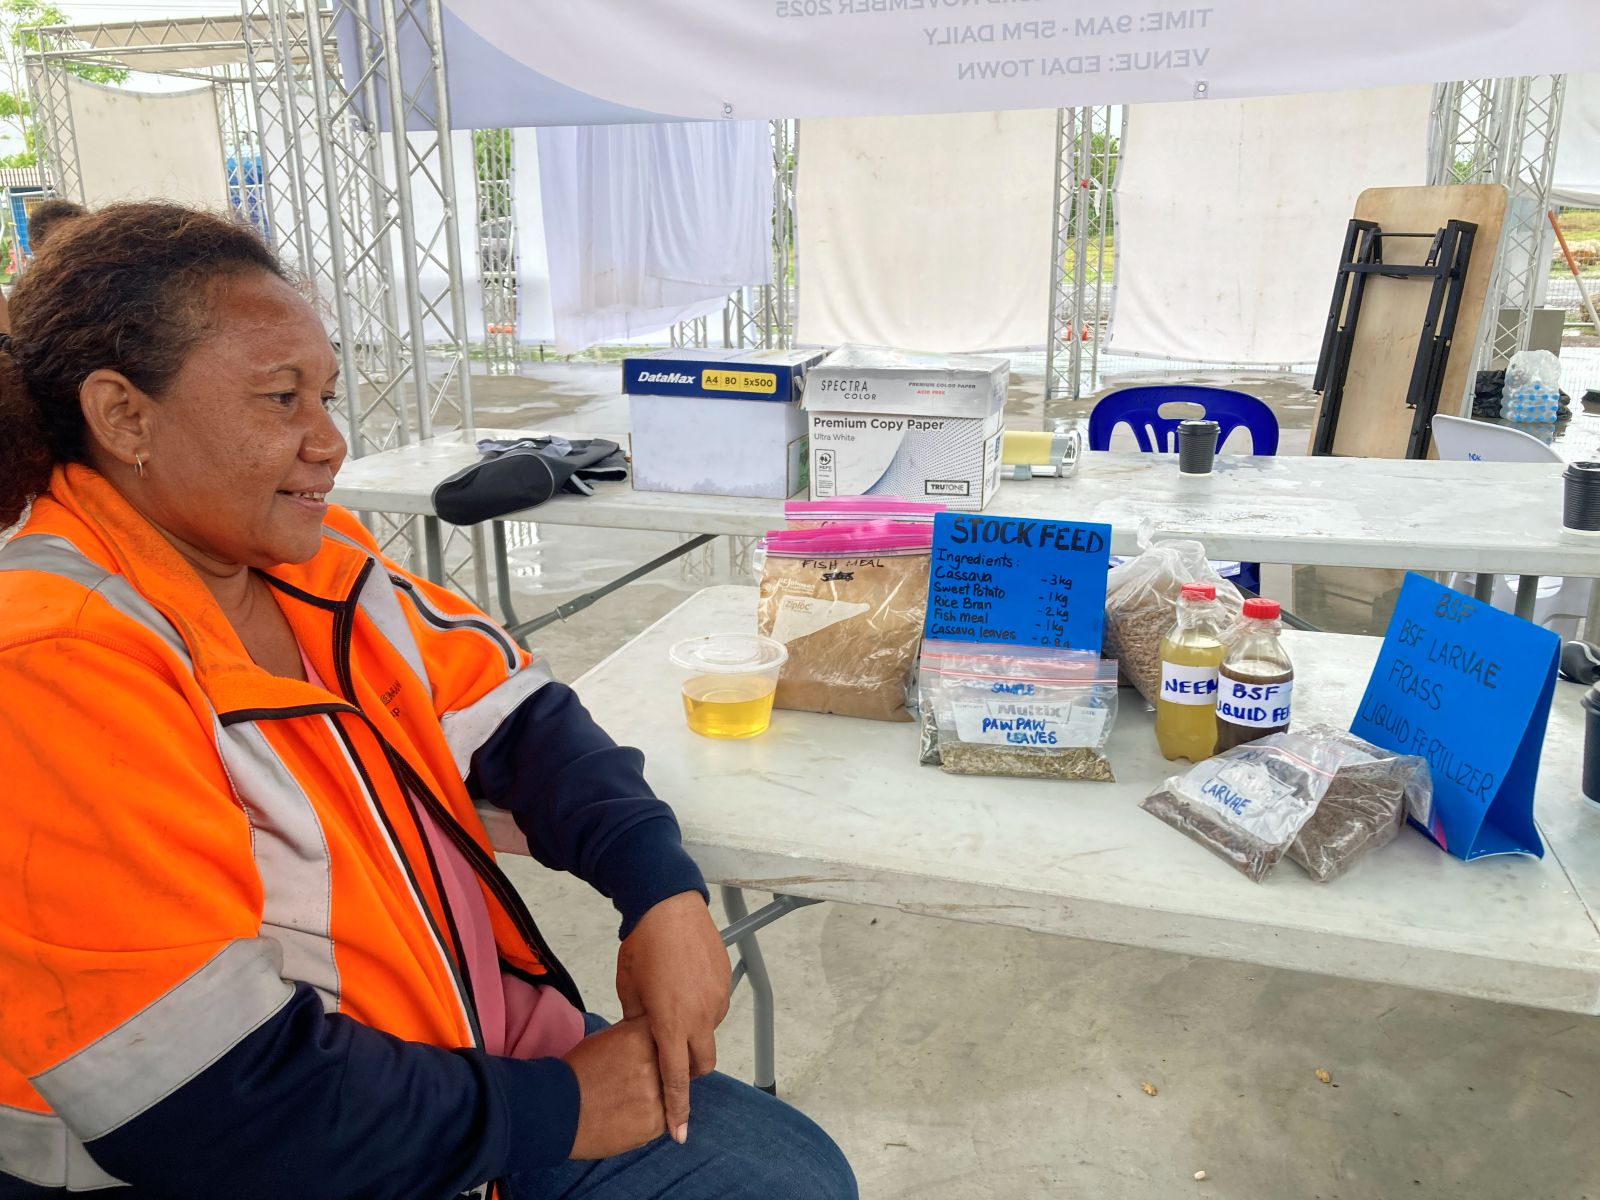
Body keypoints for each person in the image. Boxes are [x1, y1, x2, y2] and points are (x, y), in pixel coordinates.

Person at [0, 203, 856, 1200]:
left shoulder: (313, 558)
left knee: (797, 1171)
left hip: (445, 1056)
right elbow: (204, 1103)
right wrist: (559, 1110)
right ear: (124, 416)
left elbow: (518, 716)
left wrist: (659, 890)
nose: (328, 442)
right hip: (280, 1150)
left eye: (324, 394)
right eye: (281, 400)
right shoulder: (56, 656)